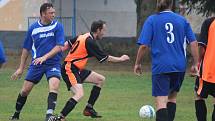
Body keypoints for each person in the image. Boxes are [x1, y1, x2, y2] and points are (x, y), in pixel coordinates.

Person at [51, 20, 130, 121]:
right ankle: (60, 117)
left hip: (77, 69)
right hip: (69, 68)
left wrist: (55, 51)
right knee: (79, 94)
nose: (104, 33)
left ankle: (89, 108)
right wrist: (121, 59)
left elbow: (67, 44)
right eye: (103, 30)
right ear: (98, 30)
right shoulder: (90, 42)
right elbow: (105, 58)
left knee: (100, 79)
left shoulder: (83, 36)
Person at [133, 0, 199, 121]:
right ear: (171, 3)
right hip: (179, 66)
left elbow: (144, 46)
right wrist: (195, 63)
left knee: (161, 102)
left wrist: (137, 63)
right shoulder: (182, 20)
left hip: (161, 66)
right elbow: (194, 43)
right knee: (172, 98)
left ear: (158, 3)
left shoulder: (152, 20)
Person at [9, 3, 65, 121]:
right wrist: (20, 68)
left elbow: (59, 46)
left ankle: (49, 115)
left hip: (53, 63)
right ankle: (16, 114)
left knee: (54, 86)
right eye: (51, 13)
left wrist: (45, 57)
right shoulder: (33, 28)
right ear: (43, 14)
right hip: (37, 64)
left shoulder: (58, 26)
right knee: (25, 91)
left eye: (54, 13)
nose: (54, 15)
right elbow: (26, 49)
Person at [194, 16, 215, 121]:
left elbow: (202, 47)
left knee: (199, 95)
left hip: (209, 69)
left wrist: (198, 62)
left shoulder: (209, 22)